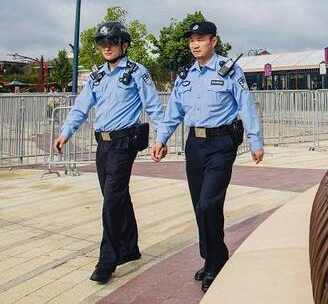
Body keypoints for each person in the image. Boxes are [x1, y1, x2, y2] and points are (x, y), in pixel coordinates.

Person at [151, 21, 264, 292]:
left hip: (222, 143)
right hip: (195, 145)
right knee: (200, 205)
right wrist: (161, 139)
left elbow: (245, 105)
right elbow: (174, 110)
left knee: (208, 205)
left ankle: (215, 262)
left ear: (214, 41)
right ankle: (212, 256)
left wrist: (255, 141)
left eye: (200, 39)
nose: (194, 44)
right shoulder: (185, 74)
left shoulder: (229, 70)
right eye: (192, 39)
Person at [54, 21, 165, 284]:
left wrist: (161, 138)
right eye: (103, 43)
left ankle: (107, 260)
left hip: (124, 143)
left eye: (112, 42)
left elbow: (154, 107)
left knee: (111, 201)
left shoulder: (138, 73)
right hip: (102, 145)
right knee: (116, 196)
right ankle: (130, 247)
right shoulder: (97, 76)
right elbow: (81, 107)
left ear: (124, 45)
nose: (106, 47)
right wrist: (65, 131)